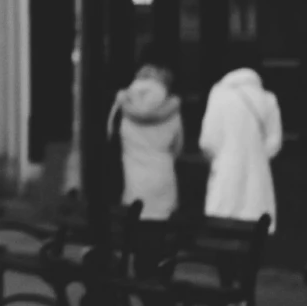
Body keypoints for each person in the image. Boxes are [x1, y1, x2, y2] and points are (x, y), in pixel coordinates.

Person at [198, 66, 282, 229]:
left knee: (221, 223)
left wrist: (219, 157)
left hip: (225, 171)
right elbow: (274, 142)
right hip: (259, 172)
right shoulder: (268, 99)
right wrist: (257, 156)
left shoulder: (218, 95)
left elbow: (208, 141)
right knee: (255, 225)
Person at [109, 53, 184, 221]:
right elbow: (178, 147)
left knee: (134, 233)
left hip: (133, 183)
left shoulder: (123, 104)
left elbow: (111, 139)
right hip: (164, 181)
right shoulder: (172, 109)